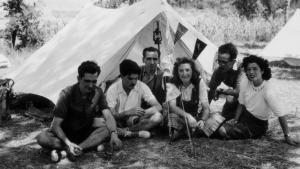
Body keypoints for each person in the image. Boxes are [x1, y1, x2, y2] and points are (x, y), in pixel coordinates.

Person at [36, 61, 122, 162]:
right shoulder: (66, 94)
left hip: (84, 133)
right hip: (64, 135)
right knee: (42, 138)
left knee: (107, 129)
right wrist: (68, 142)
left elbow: (108, 115)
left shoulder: (98, 92)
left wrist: (114, 134)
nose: (91, 85)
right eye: (87, 81)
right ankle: (79, 147)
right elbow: (55, 125)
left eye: (94, 81)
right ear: (78, 78)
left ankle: (74, 149)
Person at [218, 55, 298, 146]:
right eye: (248, 69)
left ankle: (230, 135)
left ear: (262, 71)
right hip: (243, 116)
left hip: (257, 125)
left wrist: (287, 136)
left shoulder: (268, 91)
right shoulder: (245, 81)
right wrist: (235, 120)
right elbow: (241, 103)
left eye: (255, 69)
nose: (251, 72)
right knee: (215, 122)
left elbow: (280, 115)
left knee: (222, 130)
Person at [106, 59, 163, 138]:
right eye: (130, 79)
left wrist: (141, 113)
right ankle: (133, 133)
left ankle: (127, 131)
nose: (133, 82)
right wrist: (126, 113)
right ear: (122, 76)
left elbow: (158, 106)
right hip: (117, 121)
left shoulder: (141, 86)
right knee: (102, 123)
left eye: (136, 78)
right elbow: (110, 115)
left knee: (158, 117)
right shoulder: (113, 89)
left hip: (133, 121)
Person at [168, 57, 211, 140]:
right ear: (177, 72)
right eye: (181, 71)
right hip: (179, 116)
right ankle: (186, 131)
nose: (184, 73)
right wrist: (188, 116)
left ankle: (188, 131)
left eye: (187, 70)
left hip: (196, 117)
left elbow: (206, 108)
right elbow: (172, 107)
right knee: (172, 118)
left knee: (215, 122)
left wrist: (202, 120)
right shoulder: (173, 82)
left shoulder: (199, 83)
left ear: (192, 71)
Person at [208, 43, 243, 121]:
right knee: (224, 117)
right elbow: (210, 91)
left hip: (250, 98)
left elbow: (238, 92)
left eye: (224, 62)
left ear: (233, 61)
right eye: (219, 61)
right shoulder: (219, 70)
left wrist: (220, 91)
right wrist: (204, 112)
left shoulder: (242, 68)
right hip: (237, 97)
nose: (221, 64)